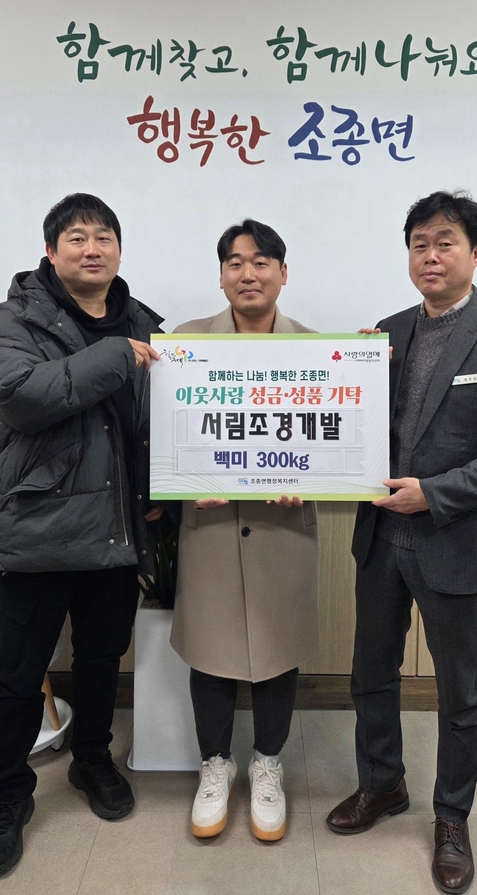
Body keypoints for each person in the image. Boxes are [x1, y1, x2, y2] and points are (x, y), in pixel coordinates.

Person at [326, 191, 477, 894]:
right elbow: (356, 428)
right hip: (380, 538)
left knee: (461, 690)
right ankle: (382, 784)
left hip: (457, 537)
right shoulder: (386, 333)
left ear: (475, 252)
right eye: (419, 244)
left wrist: (436, 492)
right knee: (371, 672)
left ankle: (452, 818)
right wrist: (344, 375)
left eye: (445, 242)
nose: (431, 255)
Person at [0, 193, 164, 878]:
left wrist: (158, 493)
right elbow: (20, 397)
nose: (92, 247)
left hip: (115, 530)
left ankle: (91, 760)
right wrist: (114, 357)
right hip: (40, 531)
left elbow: (157, 422)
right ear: (50, 253)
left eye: (103, 236)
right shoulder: (12, 321)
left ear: (119, 249)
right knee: (20, 674)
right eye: (76, 237)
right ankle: (8, 798)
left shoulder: (144, 323)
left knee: (101, 659)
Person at [170, 218, 319, 842]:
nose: (248, 273)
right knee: (210, 648)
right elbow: (164, 436)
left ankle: (267, 765)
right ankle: (215, 765)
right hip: (209, 522)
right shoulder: (183, 344)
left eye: (261, 262)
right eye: (235, 262)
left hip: (283, 524)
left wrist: (312, 476)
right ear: (221, 275)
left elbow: (332, 444)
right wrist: (185, 480)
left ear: (283, 273)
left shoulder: (318, 350)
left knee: (278, 647)